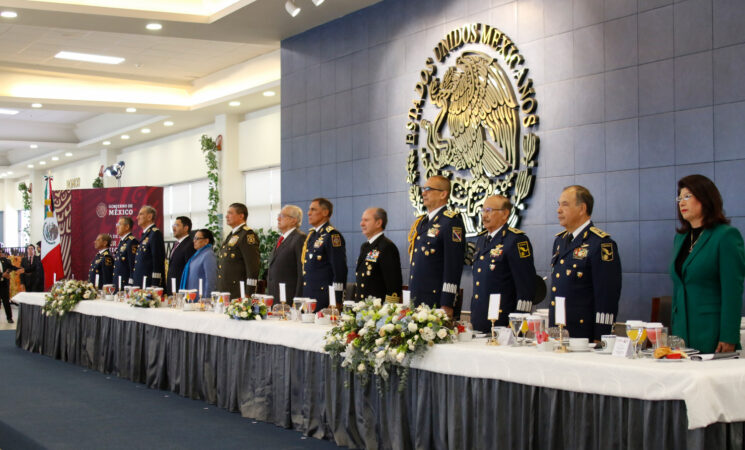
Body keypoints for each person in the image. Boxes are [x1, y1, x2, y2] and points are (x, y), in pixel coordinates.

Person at [670, 175, 745, 354]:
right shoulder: (680, 239)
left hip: (712, 333)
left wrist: (729, 336)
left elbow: (732, 292)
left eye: (687, 196)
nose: (681, 202)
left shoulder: (725, 236)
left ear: (705, 197)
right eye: (679, 198)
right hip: (681, 334)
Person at [549, 185, 622, 341]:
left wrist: (601, 337)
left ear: (582, 208)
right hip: (559, 332)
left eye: (565, 204)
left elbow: (606, 296)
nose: (559, 210)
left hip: (583, 336)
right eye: (559, 204)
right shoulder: (560, 241)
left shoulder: (600, 244)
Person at [470, 195, 536, 333]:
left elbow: (526, 286)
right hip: (480, 319)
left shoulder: (516, 240)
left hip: (503, 322)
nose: (484, 215)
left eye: (489, 210)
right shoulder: (482, 240)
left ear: (505, 214)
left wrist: (517, 323)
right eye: (482, 211)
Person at [407, 175, 466, 316]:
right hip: (417, 300)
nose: (423, 193)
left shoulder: (451, 222)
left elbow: (453, 266)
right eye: (423, 189)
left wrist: (447, 303)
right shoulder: (422, 222)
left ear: (443, 194)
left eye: (428, 189)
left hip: (436, 302)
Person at [302, 198, 347, 309]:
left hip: (324, 299)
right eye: (309, 210)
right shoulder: (312, 236)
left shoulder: (332, 235)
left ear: (325, 212)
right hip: (309, 296)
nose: (308, 213)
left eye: (313, 209)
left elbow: (339, 270)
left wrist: (336, 300)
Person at [355, 207, 402, 301]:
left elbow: (393, 285)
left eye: (366, 220)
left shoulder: (387, 247)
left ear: (378, 223)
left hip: (377, 311)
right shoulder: (365, 246)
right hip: (362, 308)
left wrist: (388, 311)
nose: (361, 223)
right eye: (362, 220)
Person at [217, 202, 260, 299]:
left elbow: (252, 267)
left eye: (230, 213)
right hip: (226, 290)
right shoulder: (233, 234)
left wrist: (249, 292)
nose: (226, 216)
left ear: (241, 216)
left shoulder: (247, 235)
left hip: (238, 292)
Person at [266, 205, 306, 302]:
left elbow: (301, 271)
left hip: (289, 297)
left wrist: (297, 300)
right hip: (275, 295)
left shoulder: (299, 238)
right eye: (278, 215)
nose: (278, 218)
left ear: (294, 220)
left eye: (282, 216)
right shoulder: (282, 238)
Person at [132, 205, 165, 288]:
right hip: (140, 281)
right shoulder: (146, 234)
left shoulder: (155, 234)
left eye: (141, 214)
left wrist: (155, 283)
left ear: (149, 217)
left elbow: (157, 260)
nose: (137, 217)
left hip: (149, 283)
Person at [180, 229, 217, 296]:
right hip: (192, 297)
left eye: (197, 238)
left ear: (206, 241)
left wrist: (207, 299)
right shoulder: (199, 254)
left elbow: (211, 279)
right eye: (194, 238)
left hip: (201, 299)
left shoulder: (208, 255)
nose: (194, 241)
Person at [166, 216, 196, 294]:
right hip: (172, 287)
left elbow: (189, 269)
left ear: (186, 228)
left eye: (177, 225)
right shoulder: (176, 244)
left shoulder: (190, 244)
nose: (173, 228)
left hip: (181, 288)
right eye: (173, 225)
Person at [113, 217, 138, 289]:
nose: (117, 226)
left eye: (119, 224)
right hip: (118, 282)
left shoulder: (132, 242)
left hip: (126, 282)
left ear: (127, 227)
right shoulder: (122, 242)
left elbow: (133, 264)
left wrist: (131, 281)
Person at [0, 247, 23, 323]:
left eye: (1, 252)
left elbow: (11, 267)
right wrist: (2, 275)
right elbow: (3, 274)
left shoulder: (5, 260)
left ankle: (9, 318)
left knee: (6, 301)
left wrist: (19, 269)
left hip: (4, 285)